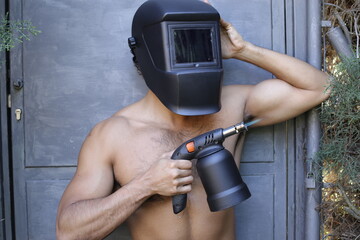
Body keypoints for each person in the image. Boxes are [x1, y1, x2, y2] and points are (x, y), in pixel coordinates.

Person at [56, 0, 330, 239]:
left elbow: (321, 88)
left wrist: (243, 50)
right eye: (180, 49)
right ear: (149, 56)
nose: (191, 61)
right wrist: (144, 186)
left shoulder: (232, 106)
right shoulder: (112, 135)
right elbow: (69, 232)